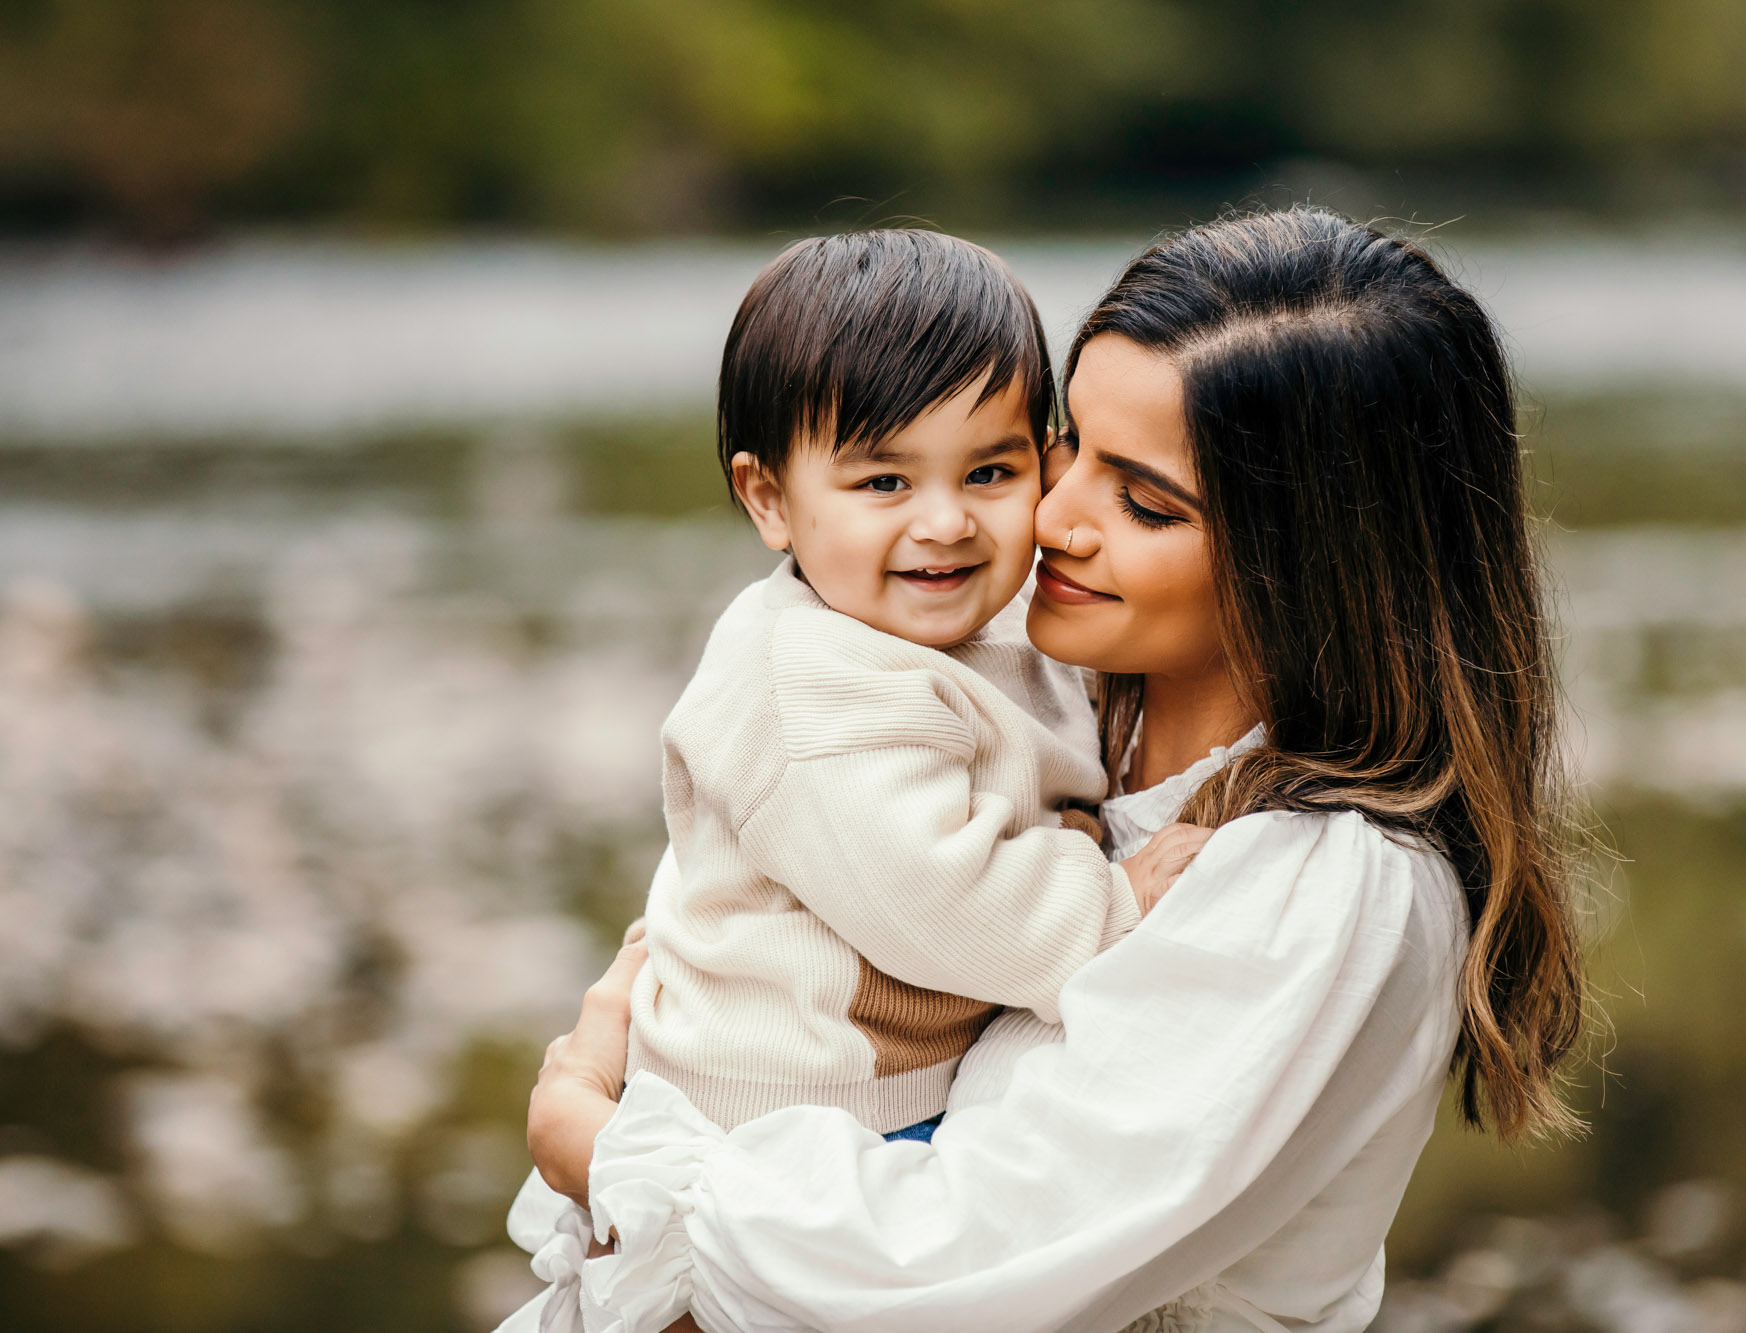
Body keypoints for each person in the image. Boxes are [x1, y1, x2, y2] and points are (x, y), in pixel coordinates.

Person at [521, 206, 1587, 1333]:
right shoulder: (1025, 690)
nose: (1051, 515)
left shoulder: (1327, 884)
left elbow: (948, 1268)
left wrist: (606, 1152)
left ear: (1309, 557)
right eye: (1063, 442)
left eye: (1141, 501)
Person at [503, 229, 1205, 1332]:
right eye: (883, 479)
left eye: (989, 471)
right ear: (769, 499)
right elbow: (936, 893)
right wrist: (1111, 908)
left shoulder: (971, 636)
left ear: (1046, 461)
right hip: (778, 1127)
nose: (944, 522)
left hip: (862, 1120)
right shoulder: (809, 681)